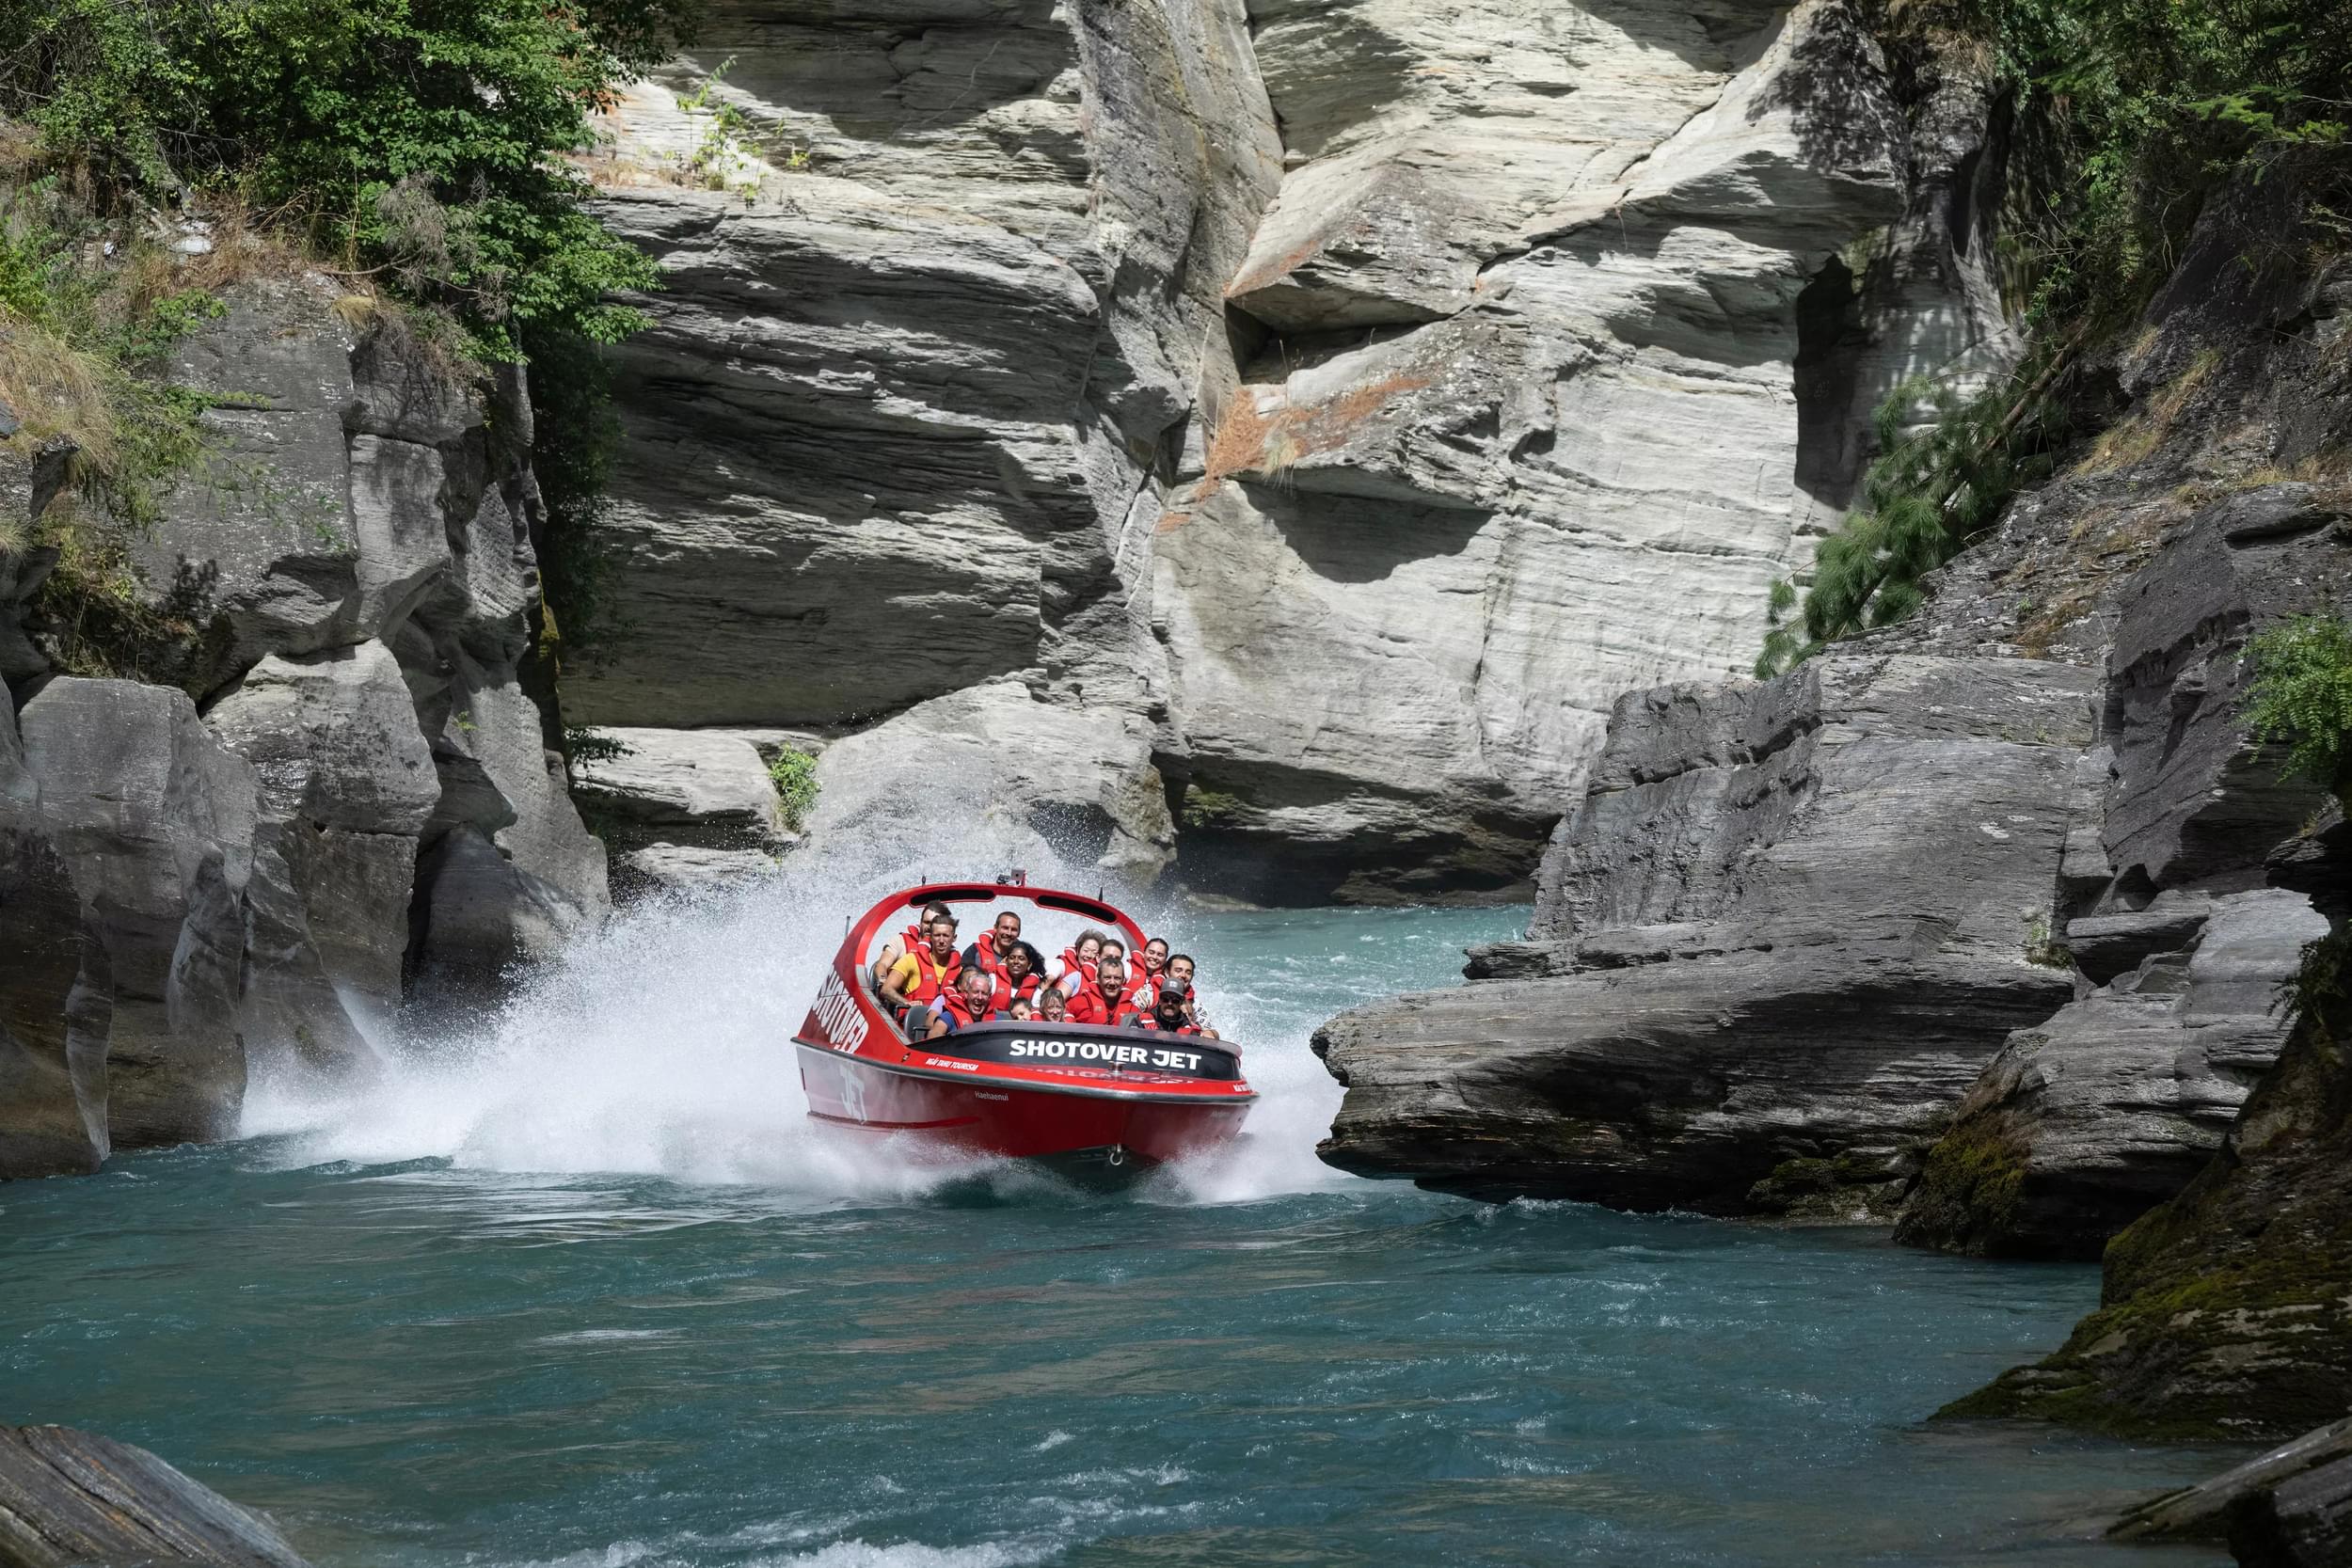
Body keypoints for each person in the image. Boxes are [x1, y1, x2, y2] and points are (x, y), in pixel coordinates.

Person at [878, 915, 961, 1031]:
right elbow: (886, 989)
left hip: (944, 1031)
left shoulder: (960, 971)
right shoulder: (911, 960)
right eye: (937, 935)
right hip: (912, 1029)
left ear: (954, 938)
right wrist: (907, 1003)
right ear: (930, 937)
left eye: (946, 936)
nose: (941, 941)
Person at [874, 901, 954, 978]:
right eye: (926, 922)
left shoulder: (948, 950)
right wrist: (882, 980)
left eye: (934, 923)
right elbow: (882, 964)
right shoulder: (900, 941)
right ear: (920, 923)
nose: (929, 927)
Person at [963, 911, 1043, 986]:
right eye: (1005, 928)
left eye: (1014, 930)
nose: (1008, 933)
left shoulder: (1028, 954)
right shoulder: (974, 951)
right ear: (995, 928)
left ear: (1019, 933)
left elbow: (1042, 976)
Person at [927, 967, 1006, 1038]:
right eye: (975, 992)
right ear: (966, 994)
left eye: (984, 993)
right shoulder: (949, 1017)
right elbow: (934, 1035)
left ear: (989, 997)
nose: (980, 997)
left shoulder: (997, 1021)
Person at [1063, 953, 1139, 1026]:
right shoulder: (1079, 1002)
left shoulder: (1133, 1011)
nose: (1112, 983)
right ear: (1098, 979)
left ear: (1123, 981)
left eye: (1117, 978)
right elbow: (1059, 1010)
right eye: (1107, 977)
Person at [1165, 953, 1220, 1039]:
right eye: (1178, 970)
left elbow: (1213, 1032)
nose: (1183, 975)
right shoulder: (1150, 992)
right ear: (1167, 973)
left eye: (1188, 972)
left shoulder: (1195, 1004)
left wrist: (1210, 1033)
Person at [1128, 977, 1201, 1036]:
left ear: (1181, 1002)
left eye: (1175, 1000)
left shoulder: (1190, 1030)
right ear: (1159, 999)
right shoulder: (1141, 1021)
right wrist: (1154, 1036)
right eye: (1165, 999)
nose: (1170, 1003)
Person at [1052, 927, 1109, 995]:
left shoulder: (1104, 976)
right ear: (1078, 950)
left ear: (1099, 957)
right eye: (1086, 950)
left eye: (1094, 952)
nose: (1089, 955)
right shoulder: (1060, 965)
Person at [989, 942, 1042, 1011]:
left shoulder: (1036, 992)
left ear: (1029, 965)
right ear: (1006, 961)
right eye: (1012, 958)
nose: (1016, 961)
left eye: (1021, 958)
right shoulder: (993, 981)